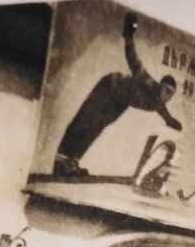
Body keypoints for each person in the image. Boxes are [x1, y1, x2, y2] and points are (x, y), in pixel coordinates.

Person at [53, 12, 183, 177]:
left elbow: (166, 116)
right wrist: (129, 36)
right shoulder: (149, 83)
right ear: (160, 86)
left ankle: (72, 161)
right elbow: (134, 61)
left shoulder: (159, 104)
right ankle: (61, 159)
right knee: (86, 119)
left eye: (171, 94)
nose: (168, 96)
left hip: (119, 103)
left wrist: (172, 122)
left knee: (96, 127)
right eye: (166, 90)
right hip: (109, 88)